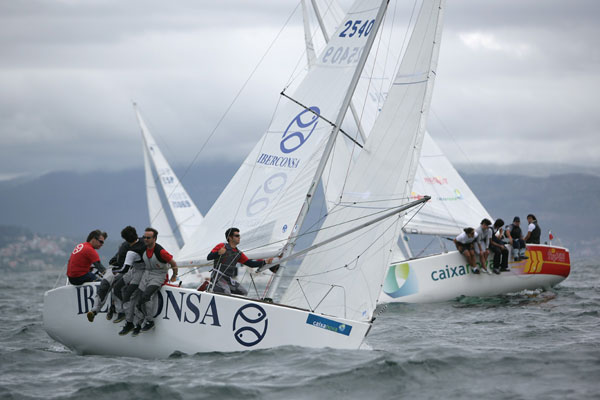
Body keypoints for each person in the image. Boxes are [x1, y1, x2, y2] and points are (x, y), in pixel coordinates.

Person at [119, 227, 177, 336]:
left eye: (148, 238)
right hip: (147, 274)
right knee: (138, 299)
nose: (145, 239)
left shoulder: (161, 251)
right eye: (144, 237)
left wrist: (174, 275)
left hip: (159, 275)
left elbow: (173, 263)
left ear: (154, 239)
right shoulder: (143, 248)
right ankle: (138, 324)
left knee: (146, 296)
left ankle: (150, 321)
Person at [86, 226, 139, 323]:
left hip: (129, 270)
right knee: (105, 284)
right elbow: (114, 262)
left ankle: (117, 309)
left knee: (117, 284)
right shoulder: (123, 247)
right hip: (116, 268)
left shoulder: (141, 245)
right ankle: (94, 310)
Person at [207, 227, 277, 295]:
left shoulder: (238, 253)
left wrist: (265, 262)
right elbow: (209, 257)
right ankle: (209, 286)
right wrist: (218, 253)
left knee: (244, 292)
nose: (239, 237)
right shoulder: (221, 246)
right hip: (218, 277)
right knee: (226, 292)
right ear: (230, 237)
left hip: (228, 279)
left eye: (239, 236)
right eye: (237, 236)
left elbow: (251, 264)